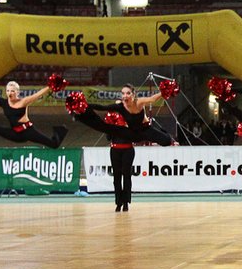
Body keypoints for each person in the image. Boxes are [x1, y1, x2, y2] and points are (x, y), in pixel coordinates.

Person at [74, 84, 175, 212]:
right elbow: (102, 107)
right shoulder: (120, 107)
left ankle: (126, 201)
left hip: (144, 131)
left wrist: (165, 91)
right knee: (104, 127)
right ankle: (79, 115)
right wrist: (84, 105)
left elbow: (153, 99)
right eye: (123, 93)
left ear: (133, 94)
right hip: (130, 134)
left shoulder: (139, 102)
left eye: (127, 93)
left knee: (166, 141)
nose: (125, 96)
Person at [0, 82, 67, 148]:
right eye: (8, 91)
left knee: (54, 144)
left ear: (17, 92)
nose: (10, 93)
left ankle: (61, 130)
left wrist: (50, 86)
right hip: (15, 134)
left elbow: (38, 94)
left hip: (28, 131)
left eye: (13, 91)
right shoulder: (3, 102)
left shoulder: (24, 101)